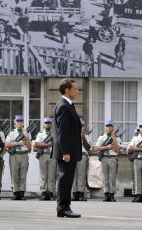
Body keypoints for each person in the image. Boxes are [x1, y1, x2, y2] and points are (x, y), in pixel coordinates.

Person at [53, 78, 82, 218]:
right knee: (65, 179)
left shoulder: (68, 105)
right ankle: (63, 208)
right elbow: (62, 132)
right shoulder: (63, 106)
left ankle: (65, 207)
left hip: (69, 150)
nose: (77, 91)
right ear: (67, 90)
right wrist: (65, 152)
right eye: (75, 89)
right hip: (67, 152)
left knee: (67, 179)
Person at [5, 115, 31, 200]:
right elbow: (6, 145)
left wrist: (26, 137)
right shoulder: (11, 133)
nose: (19, 123)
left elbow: (29, 148)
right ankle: (15, 193)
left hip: (24, 154)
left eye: (21, 121)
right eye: (18, 122)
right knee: (14, 174)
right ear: (15, 123)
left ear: (23, 123)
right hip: (14, 155)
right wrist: (17, 143)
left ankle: (22, 193)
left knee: (23, 174)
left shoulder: (27, 132)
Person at [95, 120, 120, 202]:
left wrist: (114, 139)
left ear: (113, 128)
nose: (109, 128)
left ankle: (112, 194)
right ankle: (106, 194)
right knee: (105, 177)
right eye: (107, 126)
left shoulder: (116, 138)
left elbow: (117, 151)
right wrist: (106, 147)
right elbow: (96, 148)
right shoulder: (101, 137)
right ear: (105, 128)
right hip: (104, 158)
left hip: (112, 157)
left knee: (112, 177)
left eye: (110, 126)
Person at [34, 117, 57, 201]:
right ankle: (43, 192)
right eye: (46, 123)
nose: (47, 124)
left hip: (52, 155)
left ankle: (50, 192)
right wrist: (47, 145)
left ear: (51, 124)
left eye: (49, 123)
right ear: (43, 124)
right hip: (43, 155)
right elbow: (36, 144)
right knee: (44, 175)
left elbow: (58, 144)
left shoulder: (55, 134)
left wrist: (53, 144)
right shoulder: (40, 134)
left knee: (51, 175)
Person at [72, 119, 91, 201]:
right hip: (73, 156)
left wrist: (83, 138)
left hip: (82, 155)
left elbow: (88, 147)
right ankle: (75, 193)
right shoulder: (71, 134)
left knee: (81, 175)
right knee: (73, 176)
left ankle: (81, 193)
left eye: (82, 126)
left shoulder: (86, 136)